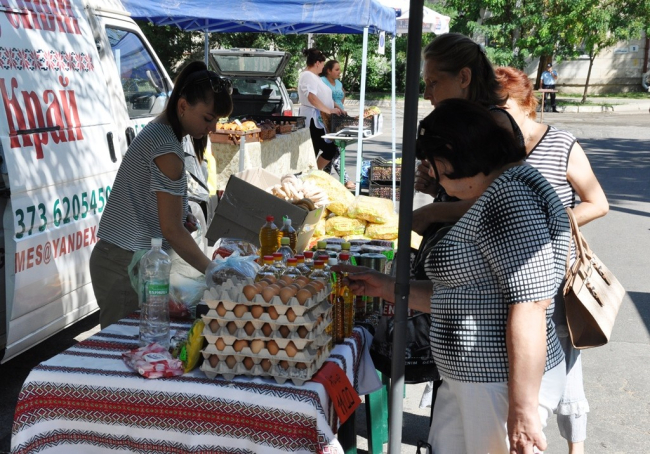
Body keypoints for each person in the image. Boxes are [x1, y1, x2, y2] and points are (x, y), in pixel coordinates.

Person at [337, 98, 569, 454]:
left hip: (498, 385)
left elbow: (532, 306)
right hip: (473, 380)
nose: (437, 179)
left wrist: (522, 410)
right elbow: (466, 293)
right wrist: (385, 287)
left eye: (437, 168)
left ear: (454, 155)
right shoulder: (499, 191)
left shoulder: (512, 197)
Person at [496, 66, 609, 454]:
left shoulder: (561, 143)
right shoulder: (497, 148)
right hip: (511, 274)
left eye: (503, 107)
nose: (497, 115)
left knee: (566, 361)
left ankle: (576, 447)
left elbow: (598, 203)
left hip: (558, 273)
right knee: (523, 362)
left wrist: (552, 222)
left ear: (527, 103)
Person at [89, 61, 233, 329]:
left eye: (216, 120)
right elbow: (171, 230)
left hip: (126, 261)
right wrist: (211, 269)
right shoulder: (166, 147)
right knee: (127, 345)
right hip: (122, 266)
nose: (212, 128)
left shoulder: (164, 132)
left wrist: (182, 214)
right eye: (208, 118)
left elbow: (160, 209)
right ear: (183, 106)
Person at [412, 33, 521, 236]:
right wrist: (437, 185)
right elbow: (469, 192)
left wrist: (430, 213)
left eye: (433, 82)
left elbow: (498, 200)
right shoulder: (461, 122)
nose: (426, 94)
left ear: (464, 77)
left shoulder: (494, 123)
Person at [298, 48, 342, 170]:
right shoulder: (307, 75)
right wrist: (329, 110)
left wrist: (337, 107)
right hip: (312, 119)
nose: (323, 67)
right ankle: (313, 173)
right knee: (322, 149)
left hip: (319, 118)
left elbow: (325, 97)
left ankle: (314, 172)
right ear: (317, 63)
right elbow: (312, 97)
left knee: (324, 150)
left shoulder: (315, 76)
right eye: (322, 64)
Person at [320, 59, 354, 189]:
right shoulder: (322, 81)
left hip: (339, 118)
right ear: (329, 71)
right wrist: (337, 108)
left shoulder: (338, 83)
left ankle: (325, 178)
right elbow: (326, 99)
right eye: (337, 69)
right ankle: (345, 179)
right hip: (327, 118)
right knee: (335, 148)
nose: (339, 72)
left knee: (334, 148)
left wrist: (341, 107)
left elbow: (342, 94)